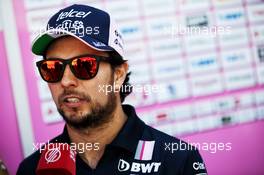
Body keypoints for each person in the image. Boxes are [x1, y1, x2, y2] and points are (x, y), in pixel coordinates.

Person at [17, 4, 207, 175]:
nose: (65, 81)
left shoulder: (177, 161)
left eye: (84, 65)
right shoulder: (31, 169)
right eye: (53, 68)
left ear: (118, 75)